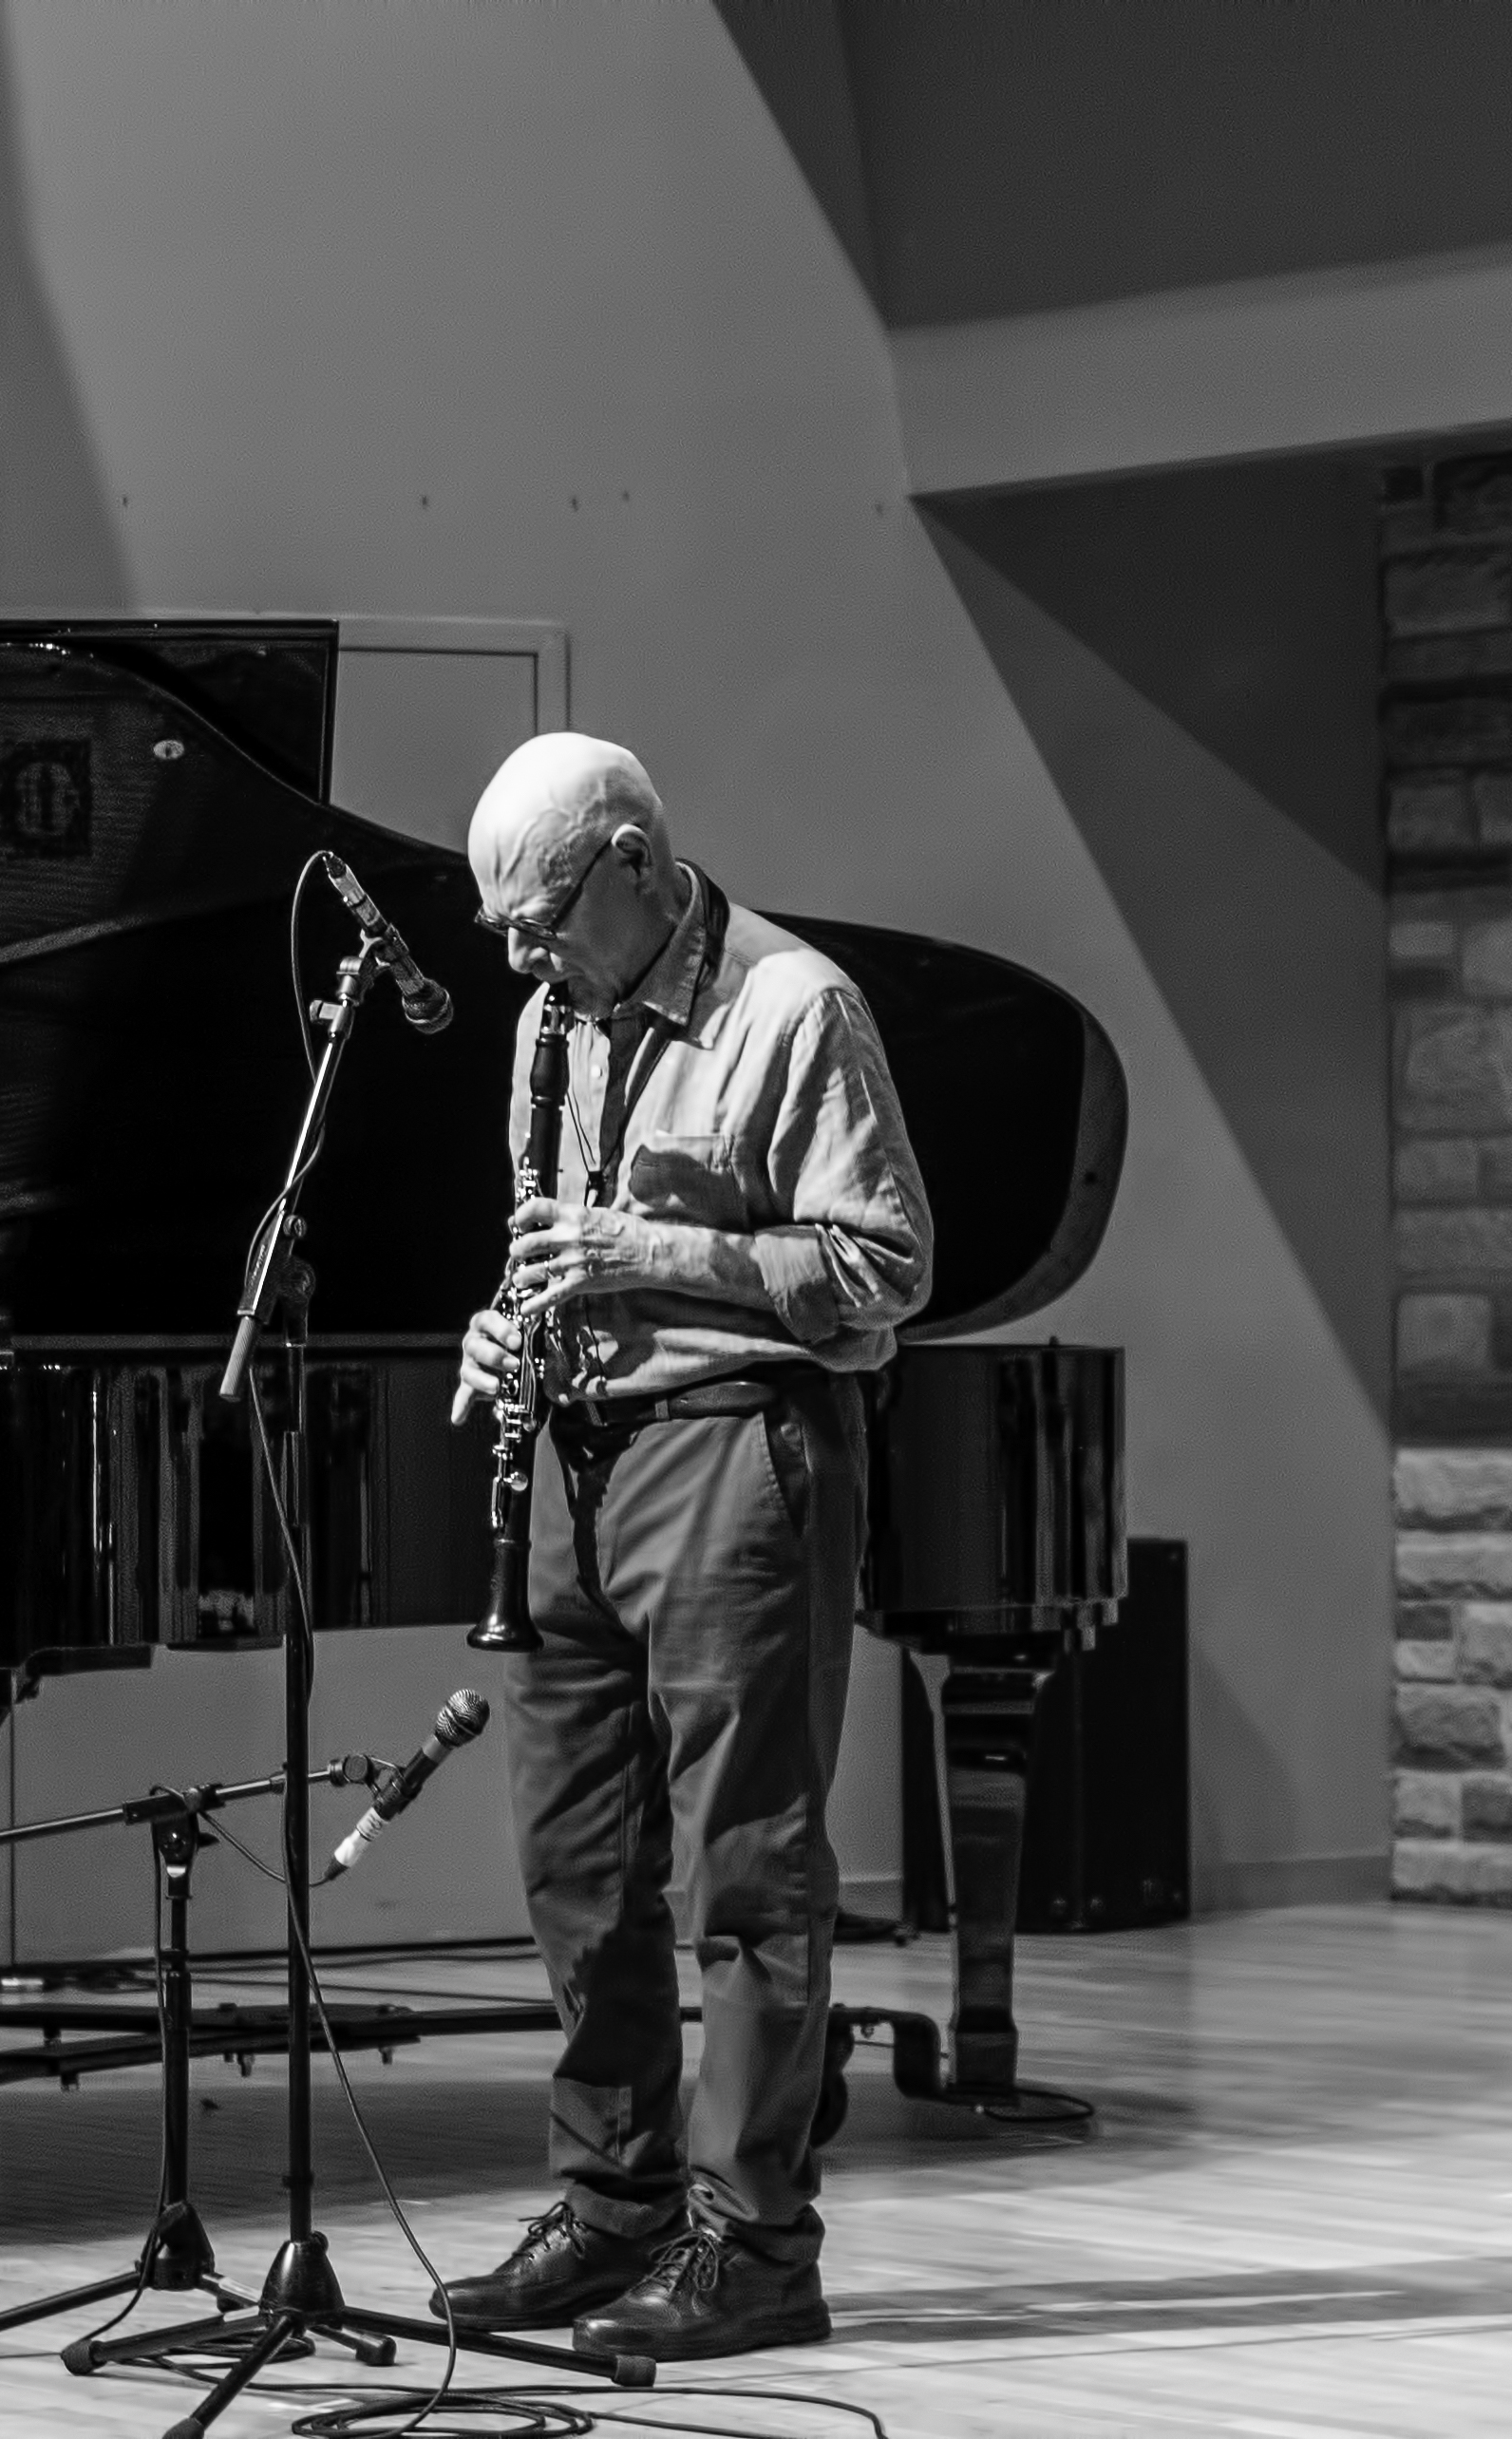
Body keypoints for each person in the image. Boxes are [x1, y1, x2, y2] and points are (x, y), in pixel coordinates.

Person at [421, 735, 931, 2362]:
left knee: (744, 1870)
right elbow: (538, 1247)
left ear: (636, 857)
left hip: (736, 1447)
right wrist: (489, 1338)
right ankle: (614, 2202)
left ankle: (755, 2242)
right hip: (574, 1456)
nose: (520, 956)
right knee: (576, 1866)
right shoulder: (548, 1018)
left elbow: (888, 1268)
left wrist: (652, 1247)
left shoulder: (796, 1008)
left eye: (545, 913)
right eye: (503, 927)